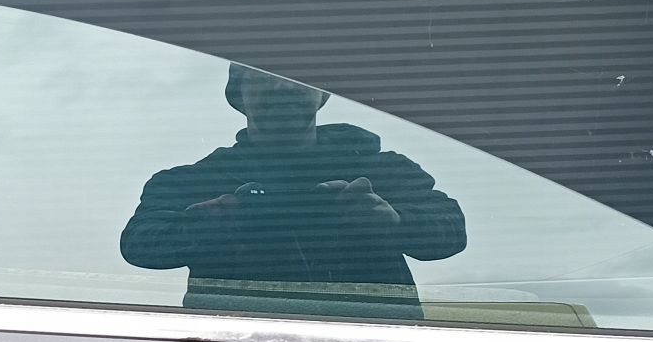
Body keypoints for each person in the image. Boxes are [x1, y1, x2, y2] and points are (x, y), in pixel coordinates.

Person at [120, 65, 466, 319]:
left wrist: (394, 222)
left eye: (299, 76)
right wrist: (202, 225)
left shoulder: (385, 170)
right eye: (263, 77)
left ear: (323, 94)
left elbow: (451, 230)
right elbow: (139, 244)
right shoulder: (186, 181)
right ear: (237, 96)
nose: (283, 85)